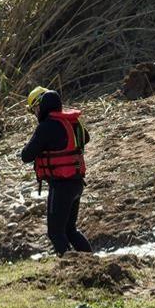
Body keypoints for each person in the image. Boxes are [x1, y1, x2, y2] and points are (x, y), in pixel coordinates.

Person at [20, 87, 93, 256]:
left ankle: (69, 268)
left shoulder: (46, 128)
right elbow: (86, 138)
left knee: (55, 233)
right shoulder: (73, 122)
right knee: (70, 230)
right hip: (76, 183)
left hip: (61, 186)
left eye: (35, 110)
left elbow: (26, 155)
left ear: (41, 107)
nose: (35, 114)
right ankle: (93, 262)